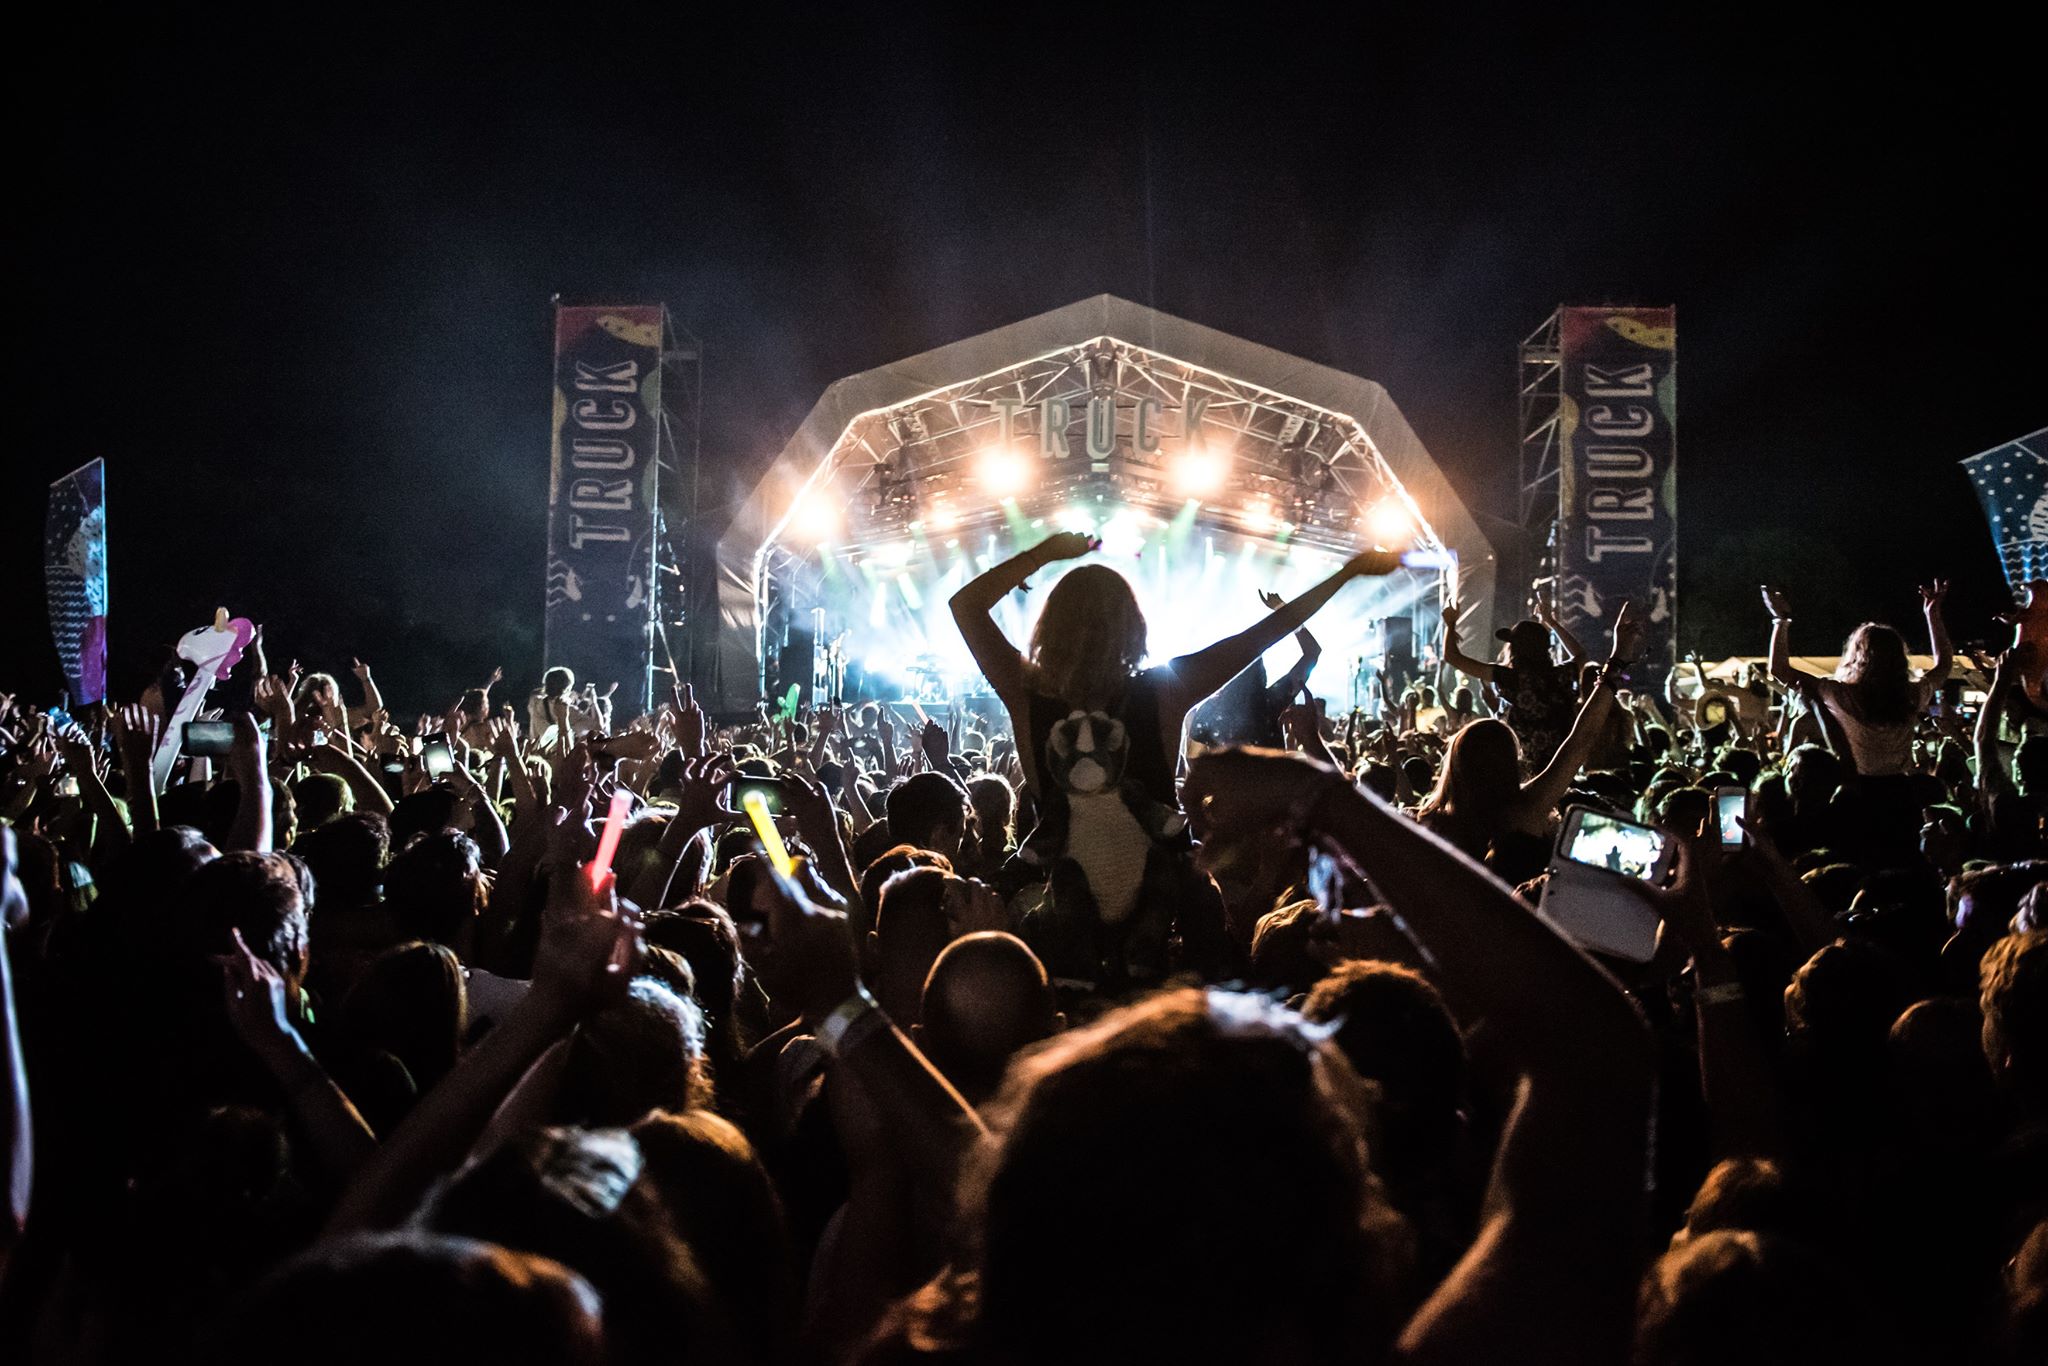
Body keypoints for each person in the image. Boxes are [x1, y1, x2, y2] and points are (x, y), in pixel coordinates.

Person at [949, 531, 1397, 987]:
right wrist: (1346, 573)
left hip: (1066, 951)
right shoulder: (1164, 691)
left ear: (1050, 627)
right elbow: (1260, 637)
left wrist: (1044, 554)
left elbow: (965, 606)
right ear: (1132, 628)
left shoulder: (1026, 695)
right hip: (1164, 957)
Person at [1440, 598, 1583, 774]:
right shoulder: (1560, 675)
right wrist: (1552, 622)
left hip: (1524, 772)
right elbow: (1580, 655)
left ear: (1514, 649)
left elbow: (1453, 657)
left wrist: (1450, 624)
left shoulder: (1509, 678)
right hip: (1562, 770)